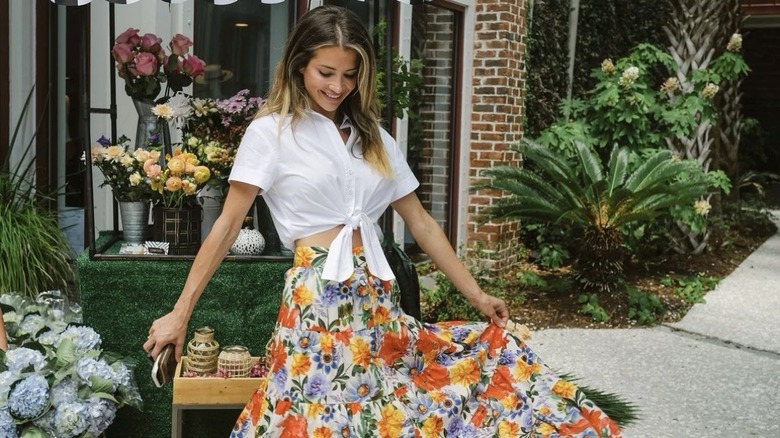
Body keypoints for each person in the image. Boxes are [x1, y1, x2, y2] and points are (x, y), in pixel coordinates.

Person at [144, 6, 622, 437]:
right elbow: (227, 226)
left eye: (350, 75)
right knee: (313, 419)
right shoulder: (270, 133)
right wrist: (179, 312)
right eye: (325, 72)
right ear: (298, 66)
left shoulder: (374, 138)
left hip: (378, 296)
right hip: (318, 300)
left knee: (389, 415)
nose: (337, 86)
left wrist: (478, 295)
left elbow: (422, 224)